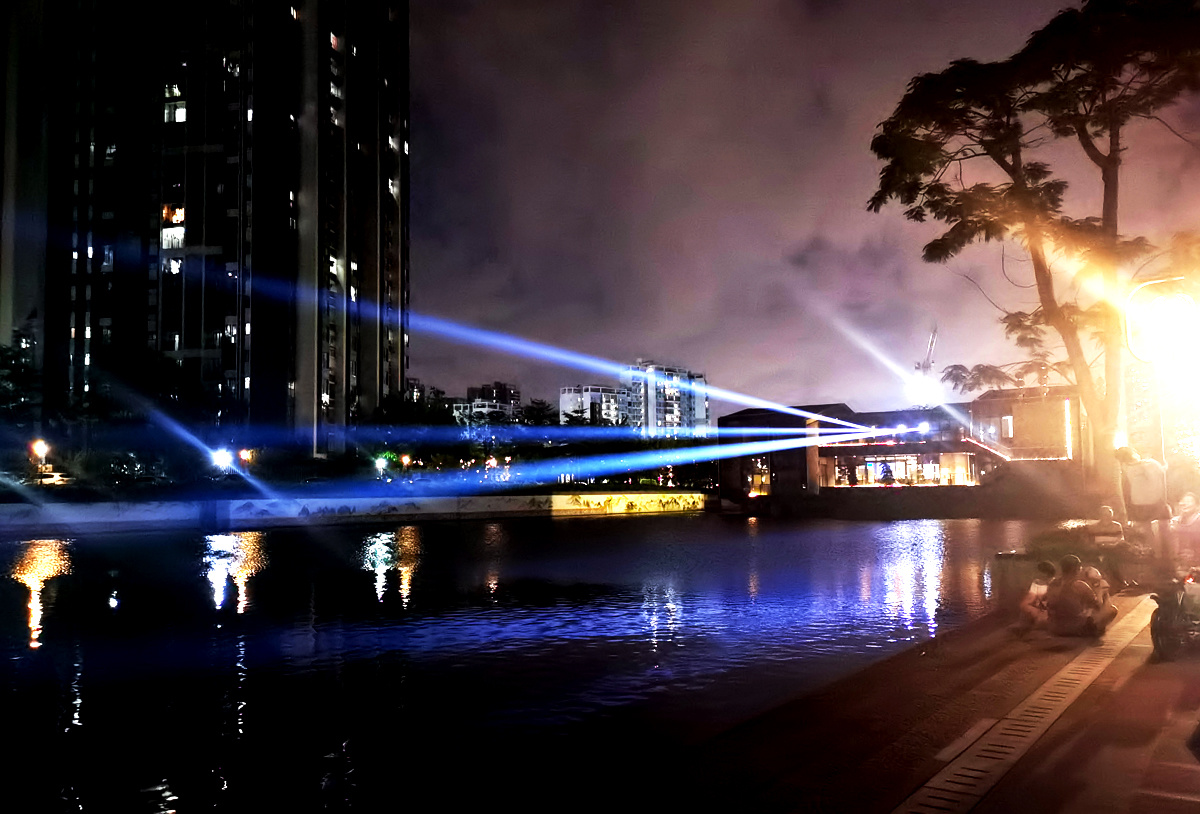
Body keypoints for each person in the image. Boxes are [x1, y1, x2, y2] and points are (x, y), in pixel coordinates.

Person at [1116, 447, 1169, 560]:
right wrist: (1163, 466)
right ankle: (1161, 553)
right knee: (1162, 527)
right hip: (1153, 500)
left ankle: (1155, 551)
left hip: (1139, 502)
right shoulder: (1147, 465)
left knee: (1148, 529)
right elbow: (1157, 472)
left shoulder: (1126, 468)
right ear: (1133, 454)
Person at [1045, 554, 1117, 637]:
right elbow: (1097, 606)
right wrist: (1101, 591)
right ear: (1078, 569)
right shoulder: (1079, 585)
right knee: (1112, 610)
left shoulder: (1053, 584)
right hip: (1076, 629)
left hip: (1054, 628)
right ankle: (1097, 631)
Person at [1087, 505, 1130, 590]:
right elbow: (1090, 541)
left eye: (1109, 515)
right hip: (1099, 549)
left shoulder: (1117, 526)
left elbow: (1121, 539)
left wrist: (1114, 545)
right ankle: (1120, 581)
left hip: (1113, 548)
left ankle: (1107, 580)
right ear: (1100, 516)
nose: (1107, 517)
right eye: (1104, 515)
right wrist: (1097, 546)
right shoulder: (1093, 527)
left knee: (1110, 556)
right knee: (1110, 557)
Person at [1012, 560, 1056, 634]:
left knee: (1027, 609)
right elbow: (1029, 598)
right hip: (1041, 609)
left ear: (1046, 573)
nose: (1035, 574)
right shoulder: (1037, 583)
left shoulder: (1055, 584)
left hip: (1051, 611)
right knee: (1025, 607)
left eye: (1038, 572)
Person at [1170, 491, 1200, 572]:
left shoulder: (1198, 520)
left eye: (1189, 501)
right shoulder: (1175, 522)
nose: (1184, 504)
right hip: (1180, 564)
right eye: (1183, 501)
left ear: (1197, 505)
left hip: (1196, 564)